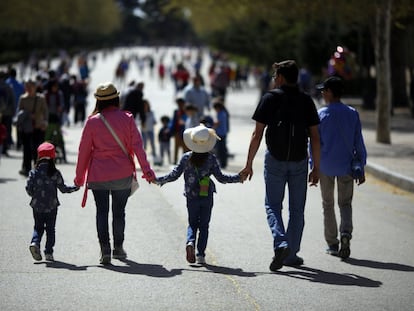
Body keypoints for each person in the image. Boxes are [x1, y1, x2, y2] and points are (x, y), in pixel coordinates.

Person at [241, 60, 321, 271]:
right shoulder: (306, 100)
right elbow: (315, 137)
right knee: (297, 210)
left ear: (282, 77)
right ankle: (291, 254)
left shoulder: (270, 98)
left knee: (272, 206)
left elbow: (257, 133)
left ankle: (281, 242)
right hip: (300, 160)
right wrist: (317, 167)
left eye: (276, 76)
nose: (274, 79)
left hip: (275, 160)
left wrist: (248, 164)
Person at [74, 82, 156, 265]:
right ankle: (118, 248)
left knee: (101, 212)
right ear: (116, 98)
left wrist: (79, 178)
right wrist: (147, 171)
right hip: (122, 173)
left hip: (98, 175)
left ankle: (105, 250)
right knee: (119, 213)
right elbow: (138, 147)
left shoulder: (92, 121)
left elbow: (84, 151)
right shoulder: (127, 118)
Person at [154, 124, 243, 264]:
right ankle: (200, 254)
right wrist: (238, 178)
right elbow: (221, 178)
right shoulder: (211, 159)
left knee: (192, 223)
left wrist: (158, 180)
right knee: (204, 226)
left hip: (191, 196)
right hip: (206, 196)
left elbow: (174, 175)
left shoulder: (186, 158)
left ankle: (190, 242)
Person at [315, 76, 367, 259]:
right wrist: (361, 165)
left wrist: (313, 165)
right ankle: (345, 233)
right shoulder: (352, 113)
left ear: (330, 93)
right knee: (345, 203)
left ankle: (332, 243)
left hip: (325, 166)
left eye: (324, 90)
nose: (322, 93)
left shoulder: (321, 115)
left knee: (327, 204)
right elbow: (358, 142)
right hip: (346, 166)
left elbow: (314, 143)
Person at [26, 142, 79, 261]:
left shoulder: (34, 173)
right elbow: (63, 189)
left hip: (37, 206)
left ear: (39, 156)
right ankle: (48, 252)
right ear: (53, 156)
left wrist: (34, 195)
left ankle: (35, 242)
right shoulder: (55, 173)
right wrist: (75, 187)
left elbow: (28, 189)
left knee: (38, 227)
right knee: (50, 229)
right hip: (52, 205)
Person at [16, 80, 48, 176]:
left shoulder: (41, 98)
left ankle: (37, 167)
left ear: (35, 87)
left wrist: (45, 123)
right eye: (27, 87)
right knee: (26, 149)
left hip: (38, 127)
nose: (29, 89)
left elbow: (45, 111)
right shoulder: (23, 99)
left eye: (31, 87)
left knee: (37, 149)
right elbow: (19, 113)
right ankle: (26, 168)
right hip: (26, 128)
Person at [170, 97, 189, 164]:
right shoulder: (176, 112)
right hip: (177, 132)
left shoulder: (186, 111)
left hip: (185, 132)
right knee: (176, 147)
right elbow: (173, 121)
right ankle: (175, 161)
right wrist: (172, 131)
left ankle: (186, 161)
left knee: (185, 148)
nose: (180, 105)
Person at [213, 100, 230, 169]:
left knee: (221, 149)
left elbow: (217, 123)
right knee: (221, 148)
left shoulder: (221, 114)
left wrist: (211, 128)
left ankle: (223, 163)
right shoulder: (223, 113)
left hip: (221, 133)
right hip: (222, 133)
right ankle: (222, 162)